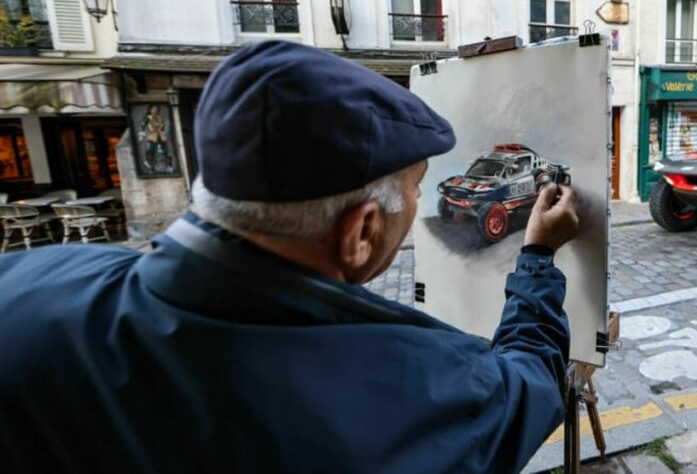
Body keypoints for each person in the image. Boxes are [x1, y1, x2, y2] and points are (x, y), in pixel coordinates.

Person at [0, 40, 580, 473]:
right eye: (414, 187)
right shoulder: (416, 386)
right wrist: (536, 253)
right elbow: (530, 381)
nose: (417, 201)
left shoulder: (20, 291)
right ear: (361, 232)